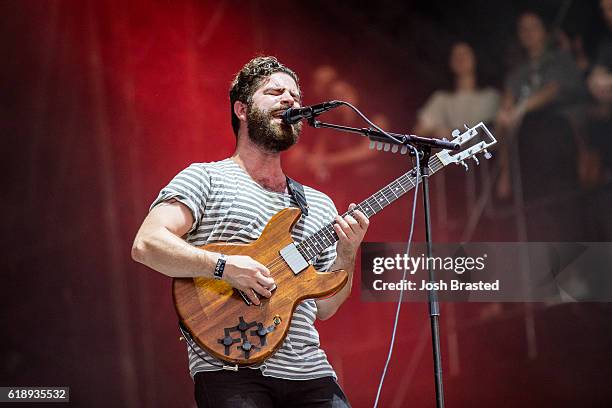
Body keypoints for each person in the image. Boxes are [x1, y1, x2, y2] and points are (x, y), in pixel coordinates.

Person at [131, 56, 368, 407]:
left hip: (310, 373)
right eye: (275, 92)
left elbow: (326, 308)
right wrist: (224, 267)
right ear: (241, 109)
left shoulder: (319, 204)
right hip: (229, 370)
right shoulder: (206, 178)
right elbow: (147, 243)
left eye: (294, 95)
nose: (290, 100)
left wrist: (348, 254)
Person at [414, 41, 500, 139]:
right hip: (452, 153)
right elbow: (418, 131)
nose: (460, 59)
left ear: (476, 58)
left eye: (465, 54)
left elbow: (501, 132)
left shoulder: (491, 97)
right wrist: (435, 132)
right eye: (456, 55)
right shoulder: (442, 98)